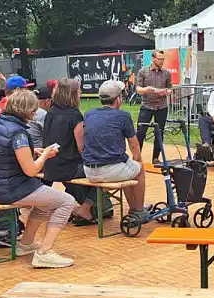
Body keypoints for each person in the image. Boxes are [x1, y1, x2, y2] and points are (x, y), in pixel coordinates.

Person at [0, 90, 77, 268]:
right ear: (28, 112)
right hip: (10, 188)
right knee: (66, 201)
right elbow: (31, 170)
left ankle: (26, 244)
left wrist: (34, 151)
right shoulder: (18, 134)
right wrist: (46, 154)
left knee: (48, 201)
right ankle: (44, 253)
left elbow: (3, 151)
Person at [42, 78, 109, 225]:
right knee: (105, 171)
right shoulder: (74, 115)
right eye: (79, 92)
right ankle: (85, 208)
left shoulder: (51, 111)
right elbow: (81, 147)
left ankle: (68, 205)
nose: (80, 94)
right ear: (72, 94)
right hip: (68, 166)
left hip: (49, 165)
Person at [83, 80, 150, 222]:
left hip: (89, 170)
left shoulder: (89, 114)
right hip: (111, 170)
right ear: (118, 99)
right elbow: (134, 145)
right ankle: (138, 210)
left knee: (127, 167)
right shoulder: (123, 116)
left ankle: (134, 208)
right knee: (138, 169)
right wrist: (138, 160)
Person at [135, 50, 173, 165]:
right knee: (141, 132)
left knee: (159, 133)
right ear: (153, 59)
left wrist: (166, 92)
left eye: (163, 59)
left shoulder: (166, 73)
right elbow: (138, 89)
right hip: (147, 105)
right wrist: (146, 89)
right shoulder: (143, 72)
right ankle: (136, 158)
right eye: (159, 59)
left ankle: (156, 158)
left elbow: (170, 88)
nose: (161, 61)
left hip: (161, 106)